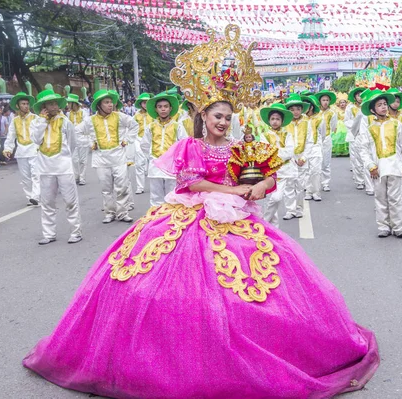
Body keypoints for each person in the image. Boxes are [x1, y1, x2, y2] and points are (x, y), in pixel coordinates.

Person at [23, 25, 379, 398]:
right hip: (188, 214)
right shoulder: (190, 146)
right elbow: (191, 184)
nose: (222, 122)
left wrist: (258, 186)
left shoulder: (243, 146)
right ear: (203, 116)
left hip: (234, 217)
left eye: (227, 116)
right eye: (216, 116)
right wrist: (233, 189)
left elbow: (265, 178)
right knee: (156, 283)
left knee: (256, 284)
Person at [76, 89, 139, 223]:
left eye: (111, 102)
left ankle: (123, 212)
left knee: (121, 186)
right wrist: (90, 143)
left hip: (119, 157)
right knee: (106, 188)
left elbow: (134, 125)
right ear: (99, 105)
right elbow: (77, 132)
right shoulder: (90, 121)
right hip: (101, 159)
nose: (110, 105)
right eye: (106, 102)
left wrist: (127, 139)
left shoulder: (120, 116)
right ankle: (109, 212)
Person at [359, 90, 402, 238]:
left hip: (395, 166)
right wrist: (371, 165)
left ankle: (398, 226)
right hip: (377, 168)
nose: (383, 107)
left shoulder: (396, 124)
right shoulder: (369, 128)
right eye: (379, 105)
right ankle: (383, 226)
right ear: (372, 110)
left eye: (385, 104)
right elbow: (363, 149)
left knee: (396, 198)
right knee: (380, 197)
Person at [29, 89, 82, 245]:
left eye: (54, 103)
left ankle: (75, 231)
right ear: (43, 107)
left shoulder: (65, 122)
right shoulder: (36, 122)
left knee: (70, 201)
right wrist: (42, 121)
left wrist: (64, 158)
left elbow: (72, 144)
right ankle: (49, 233)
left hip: (64, 167)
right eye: (49, 104)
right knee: (47, 202)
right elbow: (36, 140)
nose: (52, 107)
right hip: (45, 168)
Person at [141, 92, 188, 206]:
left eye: (166, 106)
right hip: (155, 164)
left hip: (171, 166)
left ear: (170, 108)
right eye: (160, 107)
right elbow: (144, 145)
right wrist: (151, 159)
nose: (163, 109)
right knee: (156, 197)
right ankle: (155, 220)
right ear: (156, 109)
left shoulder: (177, 126)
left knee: (171, 196)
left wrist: (178, 161)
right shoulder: (151, 127)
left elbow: (184, 144)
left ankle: (169, 220)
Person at [260, 103, 298, 226]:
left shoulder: (287, 135)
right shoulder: (264, 135)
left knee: (276, 198)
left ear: (281, 121)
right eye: (273, 119)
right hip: (270, 171)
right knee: (272, 199)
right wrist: (275, 153)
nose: (275, 121)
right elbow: (264, 152)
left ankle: (265, 222)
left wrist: (274, 152)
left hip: (284, 170)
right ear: (269, 121)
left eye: (277, 119)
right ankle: (273, 227)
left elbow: (290, 151)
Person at [4, 92, 41, 206]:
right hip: (21, 151)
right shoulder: (15, 120)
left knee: (36, 174)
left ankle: (36, 196)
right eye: (23, 104)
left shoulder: (35, 118)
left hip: (34, 150)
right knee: (25, 177)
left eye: (27, 104)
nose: (25, 106)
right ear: (18, 106)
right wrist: (8, 149)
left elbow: (41, 133)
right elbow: (11, 136)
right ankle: (30, 197)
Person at [283, 93, 313, 219]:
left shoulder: (307, 123)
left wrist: (304, 157)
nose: (295, 112)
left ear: (302, 109)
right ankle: (290, 210)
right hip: (289, 159)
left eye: (298, 109)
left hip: (302, 157)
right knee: (289, 185)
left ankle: (299, 208)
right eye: (292, 109)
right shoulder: (284, 124)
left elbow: (310, 141)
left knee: (300, 185)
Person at [345, 87, 369, 191]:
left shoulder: (368, 106)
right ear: (355, 97)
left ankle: (368, 180)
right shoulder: (350, 107)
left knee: (366, 158)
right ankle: (359, 181)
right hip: (354, 135)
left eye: (362, 95)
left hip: (366, 135)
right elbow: (347, 120)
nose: (360, 97)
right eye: (358, 95)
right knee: (356, 159)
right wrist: (356, 127)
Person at [300, 94, 323, 201]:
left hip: (315, 146)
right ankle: (308, 191)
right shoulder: (301, 119)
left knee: (316, 170)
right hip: (303, 148)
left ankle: (316, 192)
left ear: (312, 106)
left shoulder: (319, 118)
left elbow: (322, 133)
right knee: (306, 170)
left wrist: (317, 144)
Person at [315, 90, 338, 192]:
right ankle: (315, 183)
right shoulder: (316, 112)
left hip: (327, 138)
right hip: (316, 139)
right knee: (315, 162)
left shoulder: (332, 113)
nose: (325, 102)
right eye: (323, 100)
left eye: (327, 100)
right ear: (320, 101)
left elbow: (333, 127)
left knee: (326, 162)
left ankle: (325, 183)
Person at [132, 93, 154, 194]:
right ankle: (140, 187)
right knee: (139, 163)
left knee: (153, 163)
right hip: (139, 139)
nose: (145, 104)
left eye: (147, 102)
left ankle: (156, 186)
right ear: (141, 104)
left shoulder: (153, 113)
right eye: (144, 102)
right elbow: (132, 127)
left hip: (152, 140)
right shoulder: (136, 115)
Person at [66, 93, 89, 185]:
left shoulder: (84, 112)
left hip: (83, 139)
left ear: (74, 103)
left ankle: (82, 178)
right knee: (74, 159)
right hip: (73, 140)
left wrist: (76, 128)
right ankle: (76, 176)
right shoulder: (68, 114)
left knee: (83, 160)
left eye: (69, 103)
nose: (67, 105)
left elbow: (86, 124)